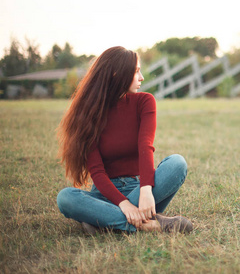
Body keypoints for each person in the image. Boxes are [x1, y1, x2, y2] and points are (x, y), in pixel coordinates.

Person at [56, 46, 192, 234]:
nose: (142, 77)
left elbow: (146, 146)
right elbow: (96, 171)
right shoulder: (88, 113)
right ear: (116, 74)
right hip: (105, 195)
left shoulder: (144, 102)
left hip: (142, 190)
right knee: (65, 197)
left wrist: (145, 189)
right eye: (136, 71)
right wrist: (124, 204)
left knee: (177, 163)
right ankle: (152, 224)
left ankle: (102, 221)